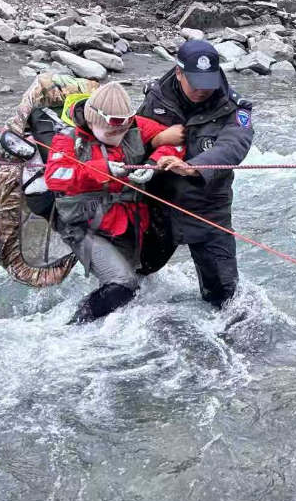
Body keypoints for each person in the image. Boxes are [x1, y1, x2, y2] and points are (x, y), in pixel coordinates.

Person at [135, 40, 254, 309]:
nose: (202, 89)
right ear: (179, 73)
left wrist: (194, 167)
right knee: (133, 283)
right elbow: (128, 140)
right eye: (195, 81)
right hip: (158, 207)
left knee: (225, 299)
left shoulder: (235, 108)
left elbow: (233, 145)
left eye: (208, 81)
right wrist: (156, 141)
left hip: (208, 210)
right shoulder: (156, 97)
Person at [45, 81, 175, 324]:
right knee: (123, 284)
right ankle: (72, 329)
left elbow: (175, 140)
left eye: (123, 131)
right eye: (111, 132)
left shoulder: (136, 125)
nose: (118, 137)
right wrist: (99, 169)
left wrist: (154, 163)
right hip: (83, 227)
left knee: (133, 285)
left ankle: (101, 325)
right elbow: (55, 177)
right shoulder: (67, 140)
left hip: (126, 224)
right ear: (92, 121)